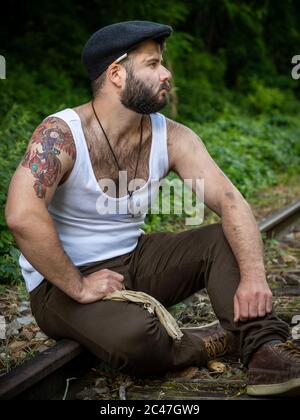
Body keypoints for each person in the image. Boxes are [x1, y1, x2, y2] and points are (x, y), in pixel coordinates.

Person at [5, 21, 300, 397]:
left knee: (223, 240)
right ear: (116, 74)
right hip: (60, 280)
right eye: (153, 64)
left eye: (163, 63)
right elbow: (22, 215)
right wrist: (78, 286)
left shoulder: (173, 136)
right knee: (137, 337)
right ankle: (211, 340)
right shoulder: (61, 134)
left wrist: (255, 277)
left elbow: (230, 202)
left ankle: (264, 351)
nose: (167, 74)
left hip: (135, 260)